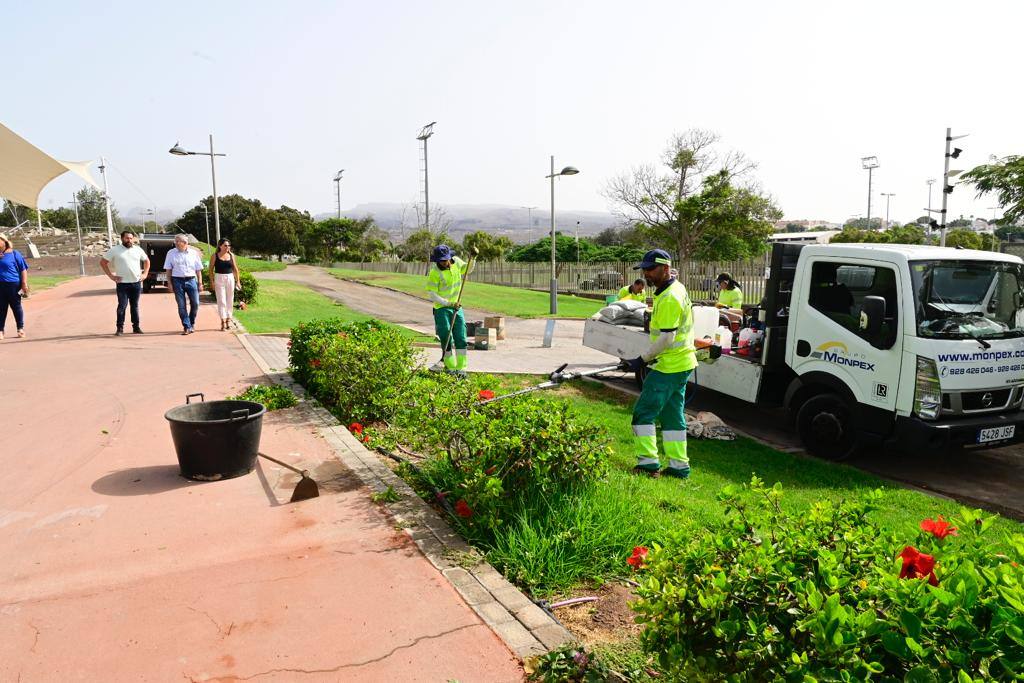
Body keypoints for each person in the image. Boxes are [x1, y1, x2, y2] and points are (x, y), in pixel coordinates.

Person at [624, 249, 697, 479]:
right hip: (681, 364)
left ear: (665, 268)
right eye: (644, 269)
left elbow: (667, 338)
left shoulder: (669, 297)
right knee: (672, 416)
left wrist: (641, 360)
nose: (647, 273)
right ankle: (679, 467)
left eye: (651, 269)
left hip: (669, 367)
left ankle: (648, 464)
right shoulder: (675, 288)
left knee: (643, 413)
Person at [426, 244, 471, 376]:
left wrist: (473, 258)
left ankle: (461, 368)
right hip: (442, 309)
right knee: (446, 337)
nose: (445, 263)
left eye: (446, 259)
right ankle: (450, 368)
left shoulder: (456, 261)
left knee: (461, 337)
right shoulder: (435, 272)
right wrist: (448, 303)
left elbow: (467, 269)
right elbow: (432, 294)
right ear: (437, 260)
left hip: (456, 308)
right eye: (442, 260)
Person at [101, 230, 150, 336]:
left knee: (135, 306)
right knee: (122, 306)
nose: (129, 240)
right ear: (122, 238)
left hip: (136, 283)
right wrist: (111, 276)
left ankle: (136, 327)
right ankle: (119, 328)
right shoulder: (115, 250)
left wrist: (145, 274)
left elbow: (147, 261)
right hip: (122, 284)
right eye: (127, 238)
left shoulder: (138, 250)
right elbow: (103, 262)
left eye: (131, 238)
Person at [163, 234, 204, 334]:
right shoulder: (171, 253)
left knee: (195, 303)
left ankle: (191, 322)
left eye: (178, 241)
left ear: (185, 243)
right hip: (177, 280)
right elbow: (168, 269)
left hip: (191, 280)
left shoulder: (194, 253)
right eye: (175, 241)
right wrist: (169, 283)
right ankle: (186, 326)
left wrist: (200, 283)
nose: (175, 243)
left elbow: (198, 270)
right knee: (181, 305)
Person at [0, 234, 29, 340]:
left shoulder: (15, 254)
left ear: (4, 241)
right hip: (0, 286)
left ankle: (20, 329)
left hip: (14, 285)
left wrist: (24, 283)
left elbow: (23, 269)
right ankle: (1, 331)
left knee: (16, 307)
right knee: (1, 309)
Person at [209, 238, 242, 331]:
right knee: (221, 300)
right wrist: (212, 282)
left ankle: (228, 320)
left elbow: (235, 269)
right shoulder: (214, 256)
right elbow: (210, 270)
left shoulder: (231, 255)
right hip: (219, 278)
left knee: (230, 300)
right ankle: (223, 321)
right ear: (220, 246)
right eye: (225, 245)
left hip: (230, 278)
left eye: (228, 245)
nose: (227, 247)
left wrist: (238, 281)